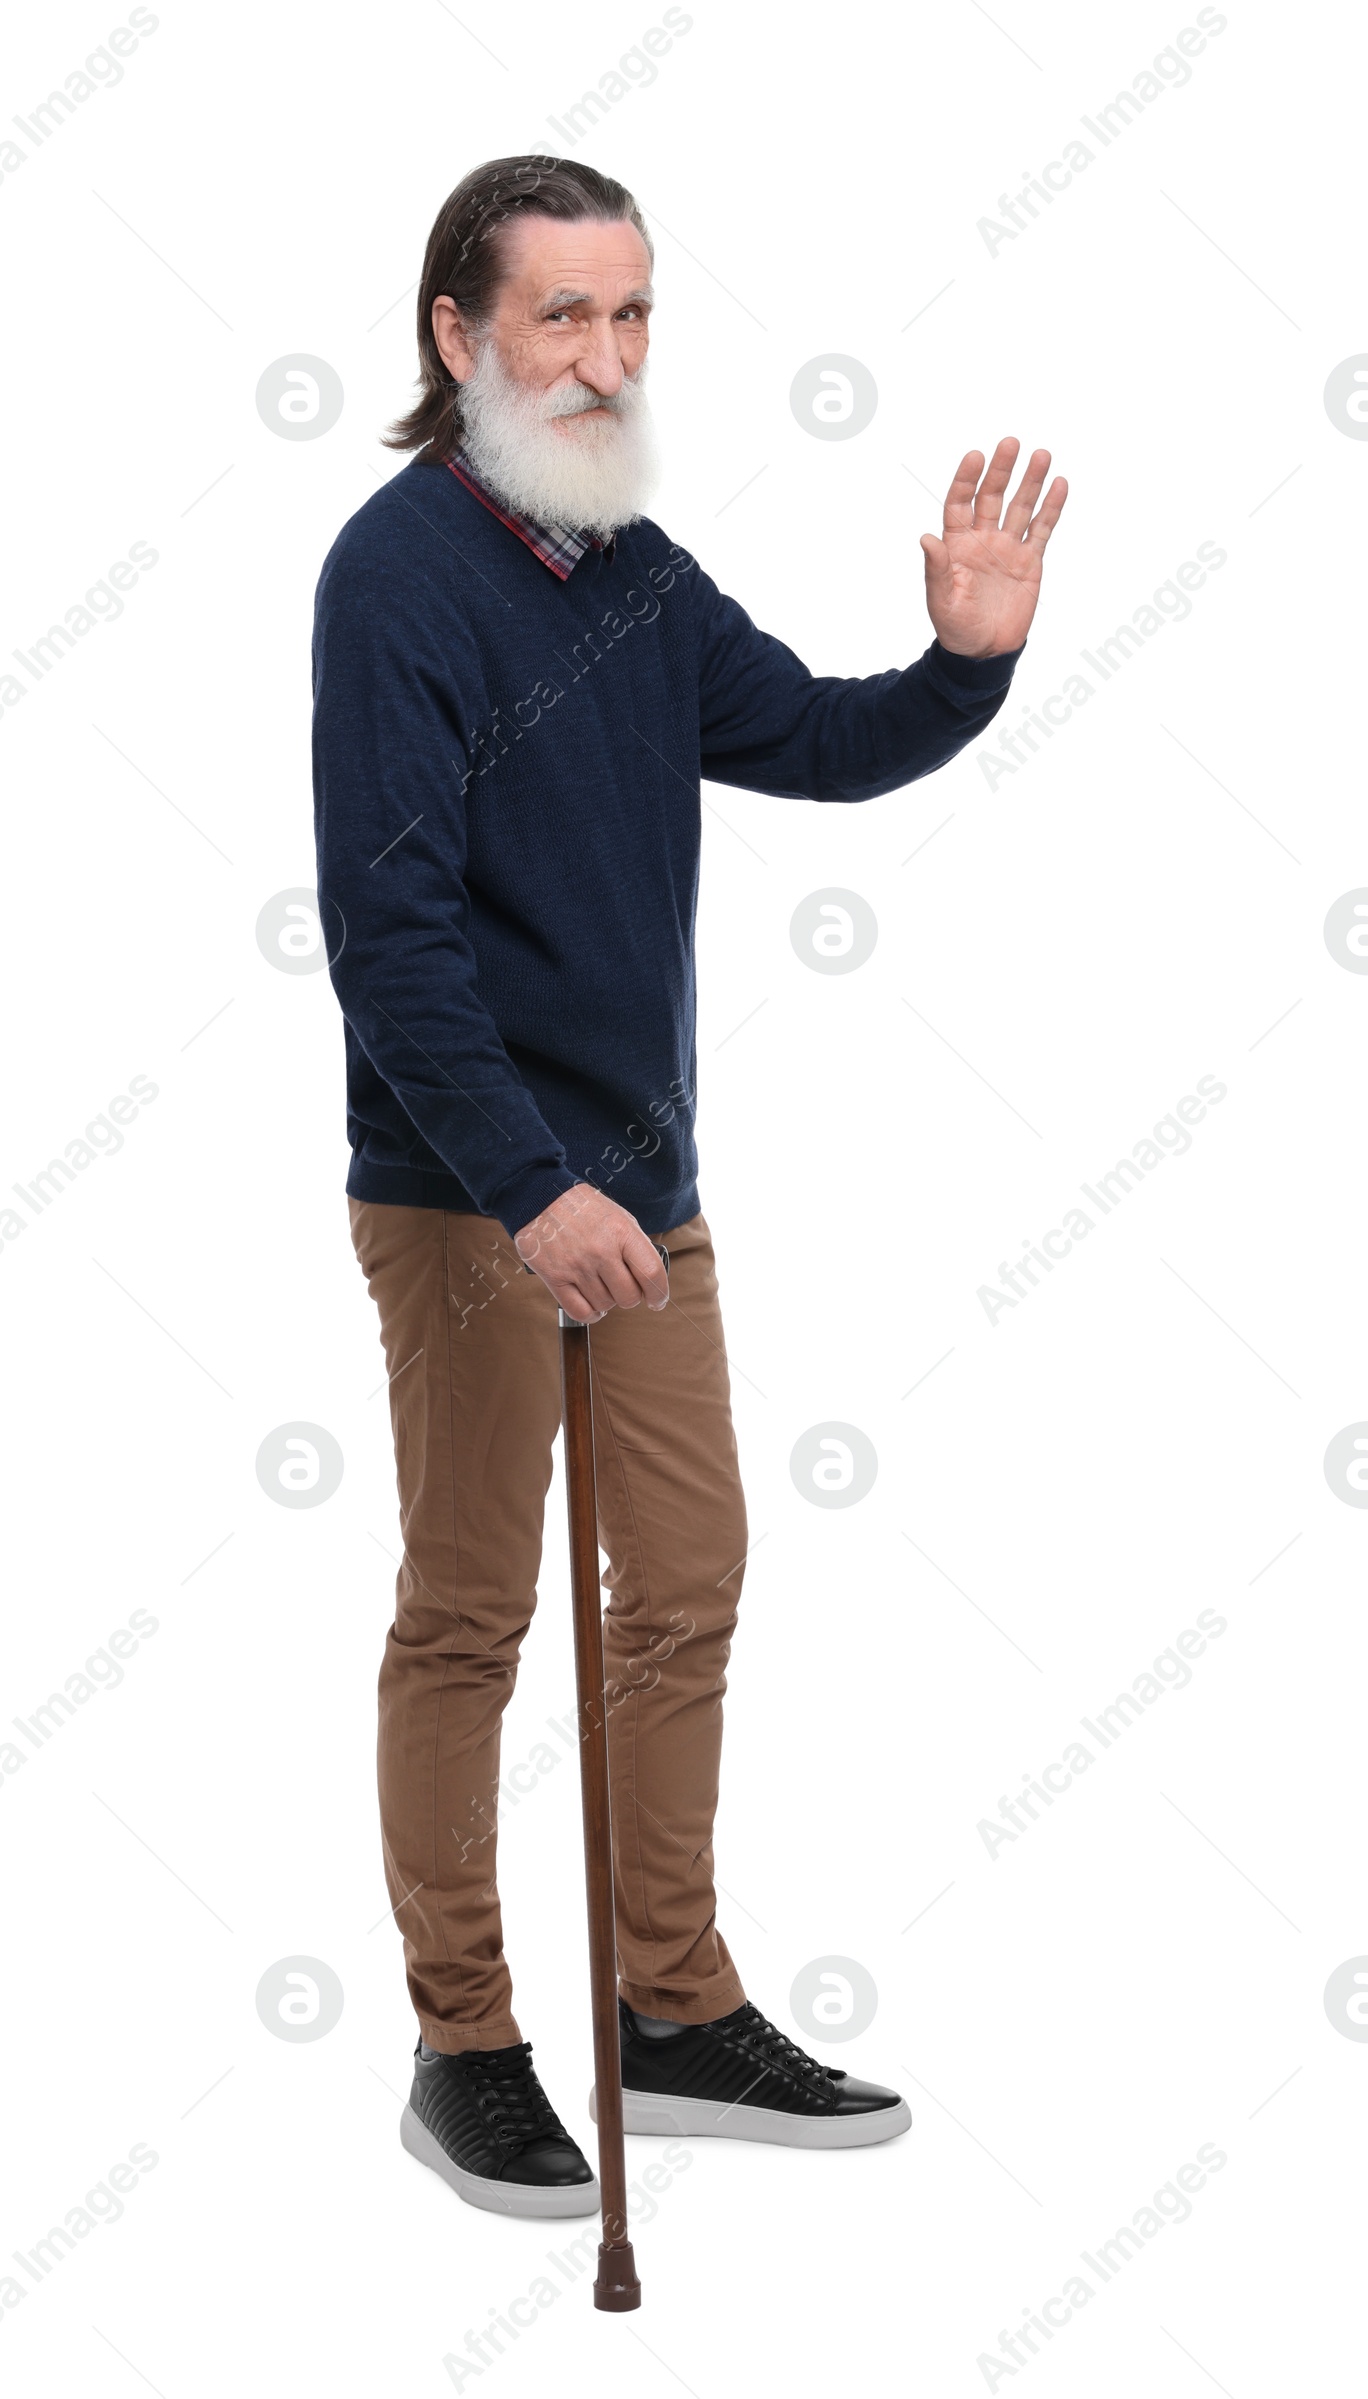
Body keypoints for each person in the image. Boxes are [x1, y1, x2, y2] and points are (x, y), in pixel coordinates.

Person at [312, 154, 1066, 2218]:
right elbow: (389, 940)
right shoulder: (394, 579)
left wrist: (961, 667)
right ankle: (463, 2037)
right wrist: (526, 1181)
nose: (604, 355)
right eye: (560, 316)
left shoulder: (628, 564)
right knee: (471, 1613)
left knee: (689, 1583)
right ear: (455, 338)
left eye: (630, 314)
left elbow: (813, 740)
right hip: (472, 1194)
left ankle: (668, 1998)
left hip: (645, 1194)